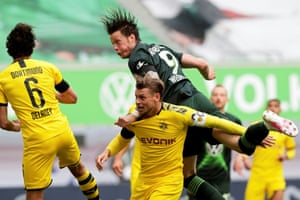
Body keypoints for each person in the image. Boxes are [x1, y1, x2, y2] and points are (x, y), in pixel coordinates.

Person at [100, 9, 298, 199]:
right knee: (239, 147)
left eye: (118, 42)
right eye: (112, 44)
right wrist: (204, 67)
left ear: (132, 38)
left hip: (179, 108)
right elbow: (195, 61)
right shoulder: (158, 47)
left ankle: (263, 127)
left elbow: (152, 82)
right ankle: (265, 126)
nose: (116, 48)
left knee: (189, 175)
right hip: (195, 96)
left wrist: (136, 114)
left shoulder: (136, 57)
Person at [96, 75, 295, 200]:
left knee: (242, 147)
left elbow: (215, 122)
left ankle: (265, 125)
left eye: (142, 98)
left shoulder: (180, 114)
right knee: (192, 177)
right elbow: (124, 136)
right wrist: (109, 151)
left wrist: (244, 131)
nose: (137, 102)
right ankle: (265, 126)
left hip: (170, 181)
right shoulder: (135, 115)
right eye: (136, 97)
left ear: (157, 97)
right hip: (144, 181)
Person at [0, 23, 100, 200]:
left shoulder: (3, 78)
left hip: (38, 140)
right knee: (79, 169)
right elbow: (72, 98)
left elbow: (3, 122)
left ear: (9, 49)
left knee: (35, 191)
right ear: (32, 47)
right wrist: (54, 96)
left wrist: (16, 127)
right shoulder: (49, 68)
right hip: (62, 131)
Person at [233, 99, 297, 200]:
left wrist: (286, 155)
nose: (272, 108)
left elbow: (292, 151)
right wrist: (243, 158)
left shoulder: (285, 130)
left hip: (275, 176)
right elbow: (246, 143)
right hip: (257, 174)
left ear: (280, 109)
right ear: (266, 109)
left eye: (276, 106)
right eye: (270, 106)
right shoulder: (257, 126)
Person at [187, 84, 242, 200]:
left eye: (222, 95)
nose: (218, 98)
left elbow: (242, 142)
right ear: (210, 98)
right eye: (215, 95)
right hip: (199, 178)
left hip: (221, 181)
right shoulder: (201, 120)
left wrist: (240, 158)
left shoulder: (234, 121)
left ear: (227, 99)